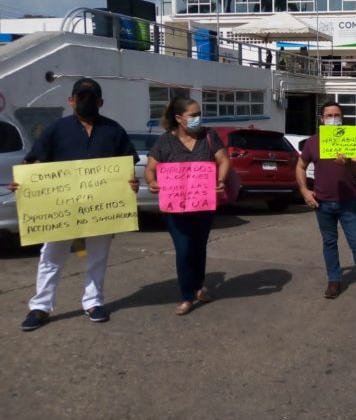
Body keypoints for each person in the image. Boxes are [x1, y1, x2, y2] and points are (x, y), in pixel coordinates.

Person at [14, 77, 139, 331]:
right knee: (51, 257)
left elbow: (127, 167)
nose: (86, 101)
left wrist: (131, 184)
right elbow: (33, 163)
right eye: (81, 97)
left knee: (97, 257)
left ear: (101, 102)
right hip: (60, 210)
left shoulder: (114, 130)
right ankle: (41, 307)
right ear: (71, 100)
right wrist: (23, 182)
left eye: (91, 98)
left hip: (100, 210)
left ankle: (93, 302)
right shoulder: (56, 129)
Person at [144, 96, 231, 316]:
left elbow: (224, 161)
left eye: (199, 114)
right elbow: (150, 168)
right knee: (183, 250)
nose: (197, 118)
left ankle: (199, 286)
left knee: (198, 247)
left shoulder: (209, 136)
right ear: (179, 118)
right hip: (176, 209)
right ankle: (186, 297)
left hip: (203, 206)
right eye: (193, 115)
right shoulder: (165, 141)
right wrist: (152, 182)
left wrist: (220, 180)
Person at [296, 101, 356, 304]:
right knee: (329, 243)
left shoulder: (350, 139)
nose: (334, 118)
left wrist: (348, 162)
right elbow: (300, 167)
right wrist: (305, 191)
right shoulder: (313, 142)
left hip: (348, 202)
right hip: (322, 202)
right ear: (322, 119)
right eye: (329, 115)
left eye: (337, 115)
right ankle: (334, 280)